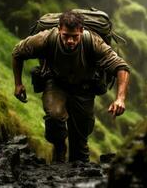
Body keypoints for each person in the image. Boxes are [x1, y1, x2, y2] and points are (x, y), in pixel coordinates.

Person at [12, 11, 130, 163]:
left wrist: (120, 98)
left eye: (75, 37)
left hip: (84, 89)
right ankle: (59, 149)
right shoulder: (45, 38)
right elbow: (17, 52)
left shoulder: (93, 42)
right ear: (59, 29)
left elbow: (121, 67)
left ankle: (79, 170)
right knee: (54, 116)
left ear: (81, 31)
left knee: (80, 141)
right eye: (66, 35)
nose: (70, 41)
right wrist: (18, 84)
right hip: (56, 83)